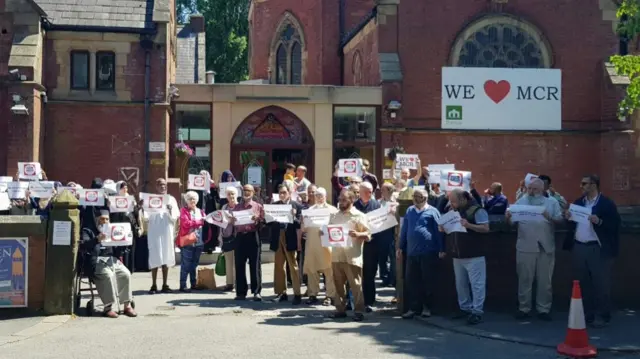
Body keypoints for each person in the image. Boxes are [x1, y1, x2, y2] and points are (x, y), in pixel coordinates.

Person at [563, 174, 620, 328]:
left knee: (601, 283)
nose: (581, 186)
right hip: (579, 246)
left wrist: (599, 221)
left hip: (597, 248)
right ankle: (587, 315)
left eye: (584, 184)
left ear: (593, 185)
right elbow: (571, 224)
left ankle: (604, 315)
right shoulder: (578, 202)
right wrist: (568, 216)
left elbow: (615, 225)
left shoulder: (606, 204)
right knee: (582, 282)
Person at [507, 178, 563, 321]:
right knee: (524, 279)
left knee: (545, 281)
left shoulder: (552, 202)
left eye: (535, 189)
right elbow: (511, 223)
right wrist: (508, 217)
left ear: (543, 189)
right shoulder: (521, 201)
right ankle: (524, 308)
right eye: (529, 189)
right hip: (525, 245)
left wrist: (548, 216)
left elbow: (560, 220)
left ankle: (543, 309)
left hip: (545, 246)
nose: (531, 192)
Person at [440, 189, 490, 325]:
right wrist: (444, 228)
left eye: (454, 201)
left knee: (477, 285)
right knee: (460, 284)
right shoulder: (453, 212)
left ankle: (477, 311)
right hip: (458, 254)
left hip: (474, 253)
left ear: (463, 199)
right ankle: (465, 308)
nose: (452, 204)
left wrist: (469, 225)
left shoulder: (477, 210)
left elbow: (486, 228)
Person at [81, 210, 137, 318]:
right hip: (97, 260)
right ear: (97, 220)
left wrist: (124, 241)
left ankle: (127, 305)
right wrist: (96, 239)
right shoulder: (88, 230)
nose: (105, 222)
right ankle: (108, 307)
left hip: (112, 259)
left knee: (125, 273)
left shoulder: (112, 230)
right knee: (108, 275)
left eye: (107, 219)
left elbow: (118, 250)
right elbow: (84, 245)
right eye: (102, 219)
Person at [326, 189, 371, 321]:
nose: (341, 202)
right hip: (337, 255)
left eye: (344, 200)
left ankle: (358, 311)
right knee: (338, 284)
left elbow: (368, 235)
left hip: (352, 256)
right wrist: (323, 234)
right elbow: (329, 231)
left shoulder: (359, 216)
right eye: (339, 199)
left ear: (352, 200)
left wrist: (358, 234)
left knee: (355, 285)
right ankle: (340, 309)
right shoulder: (334, 215)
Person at [399, 188, 444, 319]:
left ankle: (427, 307)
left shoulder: (433, 211)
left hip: (428, 252)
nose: (415, 199)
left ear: (425, 198)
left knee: (427, 280)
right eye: (414, 196)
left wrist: (442, 249)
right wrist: (401, 246)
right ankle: (414, 308)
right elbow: (405, 229)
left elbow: (438, 231)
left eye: (418, 197)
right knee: (412, 281)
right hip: (412, 252)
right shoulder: (410, 211)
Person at [302, 187, 338, 305]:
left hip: (327, 245)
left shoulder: (332, 210)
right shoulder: (309, 210)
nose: (318, 197)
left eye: (321, 195)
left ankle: (330, 295)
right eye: (316, 195)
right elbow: (303, 228)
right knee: (312, 270)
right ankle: (312, 294)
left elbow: (337, 228)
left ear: (325, 197)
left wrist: (327, 230)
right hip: (312, 244)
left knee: (329, 270)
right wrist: (304, 219)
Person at [230, 184, 265, 301]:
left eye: (249, 190)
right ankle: (241, 292)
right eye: (244, 190)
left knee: (255, 264)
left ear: (253, 192)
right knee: (239, 264)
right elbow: (232, 223)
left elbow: (263, 223)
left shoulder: (258, 206)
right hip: (240, 237)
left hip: (252, 236)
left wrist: (258, 220)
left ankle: (256, 292)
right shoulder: (236, 207)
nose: (246, 192)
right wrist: (232, 221)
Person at [270, 183, 304, 304]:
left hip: (290, 237)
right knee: (279, 266)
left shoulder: (297, 206)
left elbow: (299, 224)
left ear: (289, 193)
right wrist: (269, 217)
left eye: (284, 192)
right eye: (280, 193)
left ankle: (297, 294)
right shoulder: (274, 205)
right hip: (278, 235)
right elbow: (268, 223)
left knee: (293, 266)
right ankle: (281, 293)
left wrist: (294, 216)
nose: (282, 195)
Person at [145, 178, 180, 294]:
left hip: (166, 230)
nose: (163, 187)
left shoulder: (171, 199)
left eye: (164, 185)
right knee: (155, 256)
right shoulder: (151, 199)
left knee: (166, 255)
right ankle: (154, 285)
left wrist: (170, 210)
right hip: (154, 231)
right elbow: (146, 216)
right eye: (160, 184)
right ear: (156, 186)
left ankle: (165, 284)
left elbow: (175, 216)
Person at [354, 181, 381, 312]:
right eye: (367, 192)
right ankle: (355, 300)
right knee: (356, 274)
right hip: (356, 245)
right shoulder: (353, 206)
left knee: (370, 274)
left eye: (371, 191)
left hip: (372, 245)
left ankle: (369, 301)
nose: (370, 194)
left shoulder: (377, 205)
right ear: (360, 192)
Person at [178, 191, 206, 292]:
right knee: (186, 264)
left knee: (194, 264)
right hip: (187, 241)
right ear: (187, 201)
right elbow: (186, 223)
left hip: (199, 242)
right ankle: (183, 284)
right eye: (190, 199)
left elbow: (206, 222)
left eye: (194, 198)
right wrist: (199, 222)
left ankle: (193, 283)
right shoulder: (183, 211)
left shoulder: (201, 211)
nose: (192, 201)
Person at [218, 186, 239, 292]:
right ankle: (229, 283)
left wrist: (234, 221)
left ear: (236, 195)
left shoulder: (240, 206)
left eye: (232, 194)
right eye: (229, 194)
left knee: (237, 262)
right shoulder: (224, 207)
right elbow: (220, 221)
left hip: (237, 237)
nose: (231, 196)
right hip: (226, 236)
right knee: (228, 261)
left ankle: (237, 283)